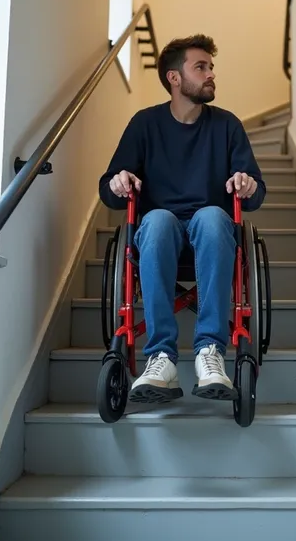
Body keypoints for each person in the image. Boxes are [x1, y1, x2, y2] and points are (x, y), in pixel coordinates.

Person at [99, 34, 265, 404]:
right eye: (201, 67)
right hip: (161, 233)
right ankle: (161, 357)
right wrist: (119, 181)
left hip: (212, 233)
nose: (210, 75)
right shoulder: (144, 124)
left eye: (211, 68)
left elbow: (255, 196)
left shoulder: (227, 126)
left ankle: (210, 352)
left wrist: (247, 183)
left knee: (210, 217)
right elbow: (109, 192)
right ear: (175, 78)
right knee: (156, 220)